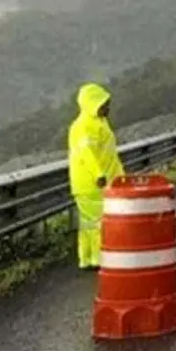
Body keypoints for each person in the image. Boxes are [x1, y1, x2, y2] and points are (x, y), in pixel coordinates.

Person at [68, 83, 125, 270]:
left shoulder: (99, 122)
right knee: (98, 222)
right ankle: (99, 259)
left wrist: (119, 176)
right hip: (90, 183)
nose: (107, 108)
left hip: (102, 182)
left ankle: (88, 258)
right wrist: (99, 174)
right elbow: (87, 154)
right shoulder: (83, 126)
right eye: (103, 104)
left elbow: (108, 154)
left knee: (90, 223)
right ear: (92, 104)